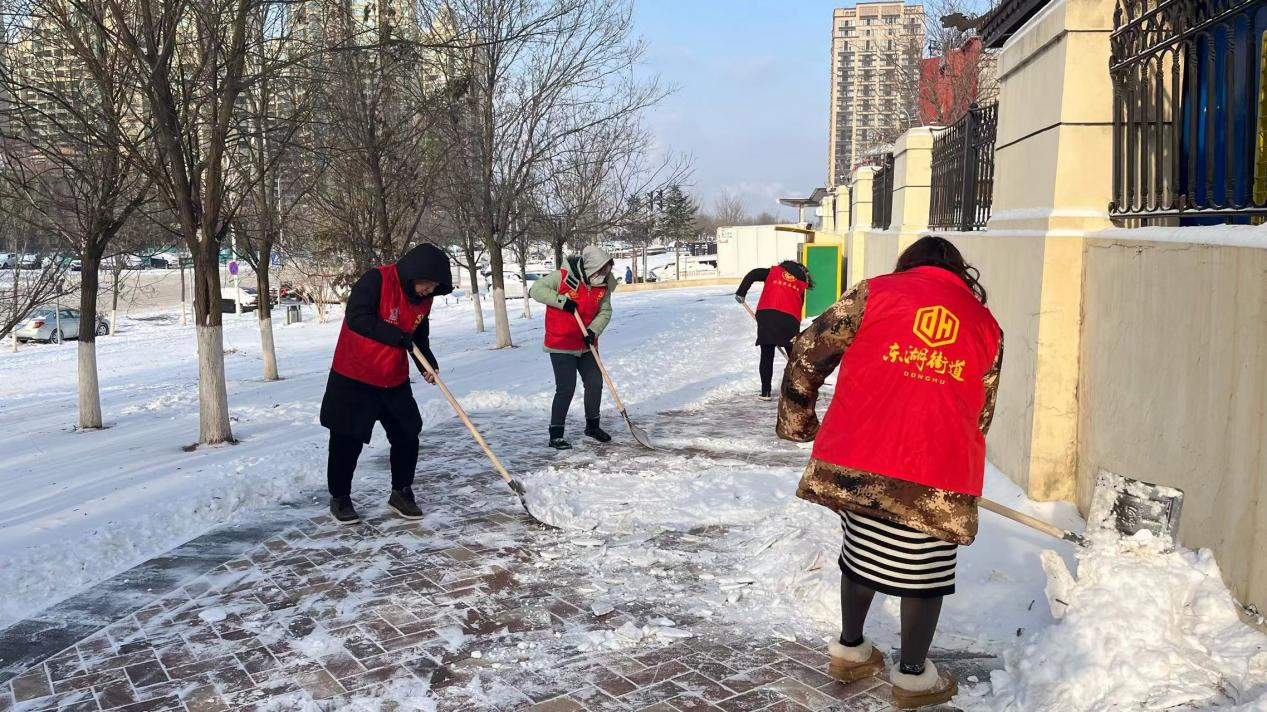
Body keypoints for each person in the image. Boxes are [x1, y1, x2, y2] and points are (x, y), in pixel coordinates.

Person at [776, 236, 1003, 709]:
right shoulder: (986, 326)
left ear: (908, 265)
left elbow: (806, 351)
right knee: (926, 570)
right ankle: (914, 678)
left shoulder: (874, 294)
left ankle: (851, 651)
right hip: (938, 471)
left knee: (862, 550)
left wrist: (798, 422)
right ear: (961, 273)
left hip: (863, 460)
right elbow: (982, 410)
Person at [319, 243, 453, 525]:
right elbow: (357, 318)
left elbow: (417, 338)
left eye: (434, 287)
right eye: (427, 284)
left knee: (407, 433)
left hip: (393, 379)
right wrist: (397, 336)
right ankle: (340, 497)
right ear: (412, 274)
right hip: (355, 374)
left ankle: (401, 492)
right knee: (347, 439)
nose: (429, 291)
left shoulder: (424, 300)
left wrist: (427, 364)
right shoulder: (376, 280)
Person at [530, 246, 618, 450]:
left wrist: (594, 330)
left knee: (595, 382)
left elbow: (605, 311)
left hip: (586, 343)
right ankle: (556, 434)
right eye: (601, 271)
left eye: (607, 271)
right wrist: (561, 301)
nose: (604, 276)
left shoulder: (604, 285)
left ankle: (592, 426)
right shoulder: (562, 276)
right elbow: (536, 290)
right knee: (566, 388)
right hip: (561, 343)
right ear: (590, 268)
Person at [734, 260, 813, 400]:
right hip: (790, 318)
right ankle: (803, 389)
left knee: (767, 353)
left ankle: (766, 392)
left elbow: (753, 274)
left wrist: (741, 292)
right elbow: (799, 304)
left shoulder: (774, 272)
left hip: (768, 312)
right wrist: (793, 326)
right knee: (793, 354)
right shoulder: (800, 282)